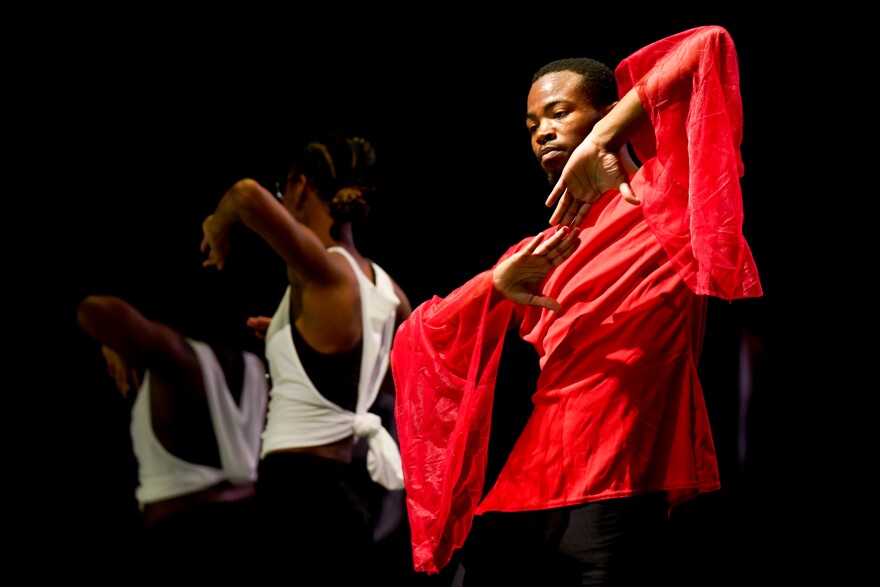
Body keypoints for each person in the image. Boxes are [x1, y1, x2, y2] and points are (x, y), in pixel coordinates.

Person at [390, 25, 763, 585]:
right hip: (523, 494)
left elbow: (709, 46)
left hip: (616, 494)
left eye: (559, 113)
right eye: (532, 124)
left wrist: (605, 138)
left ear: (608, 111)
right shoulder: (537, 252)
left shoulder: (668, 201)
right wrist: (493, 284)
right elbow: (420, 340)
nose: (542, 131)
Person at [200, 132, 413, 582]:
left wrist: (217, 228)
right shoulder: (389, 291)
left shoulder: (324, 268)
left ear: (299, 185)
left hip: (296, 494)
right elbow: (383, 380)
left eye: (286, 190)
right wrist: (287, 341)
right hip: (345, 496)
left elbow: (244, 195)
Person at [75, 294, 269, 580]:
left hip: (181, 541)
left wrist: (118, 340)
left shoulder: (180, 365)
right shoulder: (254, 367)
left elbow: (91, 311)